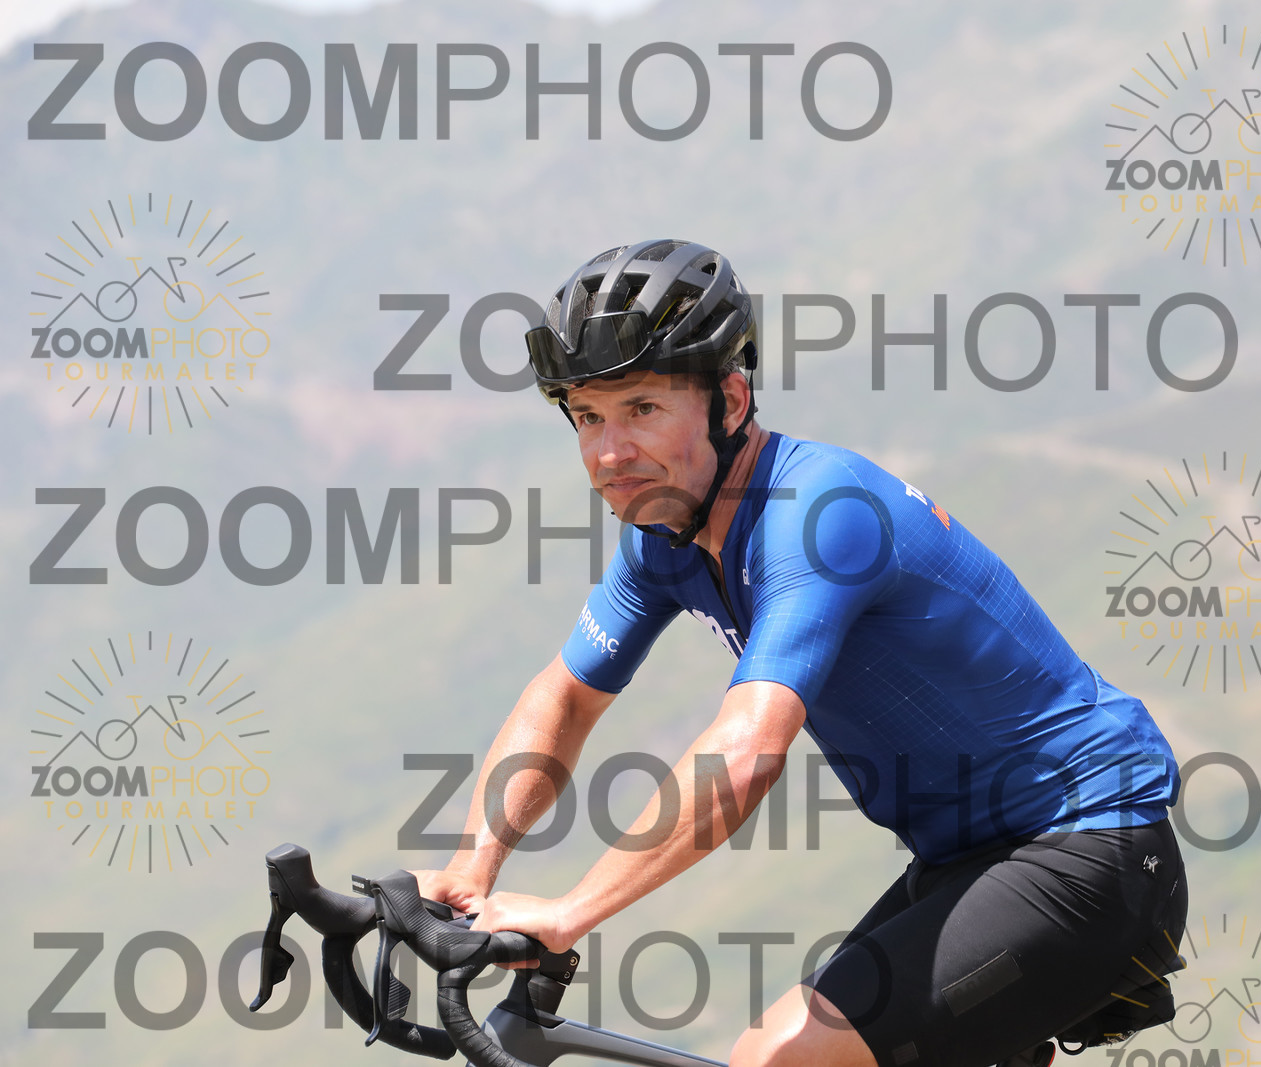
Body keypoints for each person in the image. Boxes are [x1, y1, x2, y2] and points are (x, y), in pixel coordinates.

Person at [413, 239, 1188, 1067]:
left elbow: (746, 753)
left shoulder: (818, 515)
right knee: (764, 1047)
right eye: (588, 417)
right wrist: (472, 867)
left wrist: (572, 911)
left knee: (782, 1061)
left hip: (1089, 843)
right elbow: (566, 697)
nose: (609, 452)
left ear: (730, 399)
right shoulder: (665, 536)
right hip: (966, 859)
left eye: (641, 409)